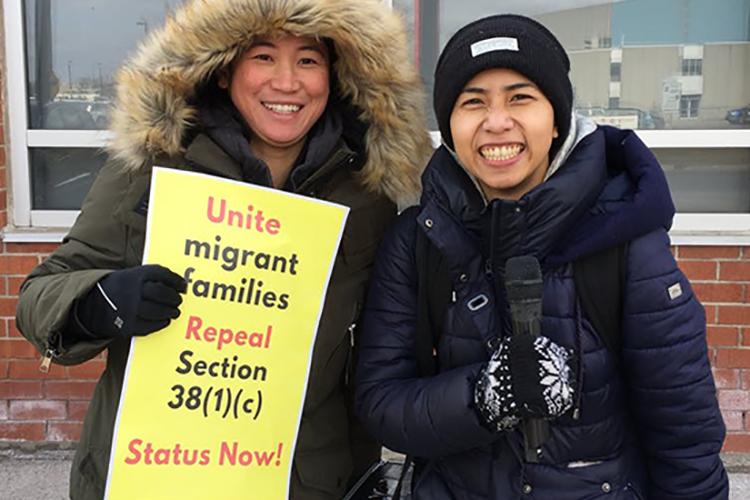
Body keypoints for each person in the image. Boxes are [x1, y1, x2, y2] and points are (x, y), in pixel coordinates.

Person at [15, 1, 432, 499]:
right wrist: (97, 304)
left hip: (300, 479)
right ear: (223, 71)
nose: (286, 83)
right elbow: (40, 296)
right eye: (262, 57)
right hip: (156, 472)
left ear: (336, 74)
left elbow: (376, 346)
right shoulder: (153, 169)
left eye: (308, 60)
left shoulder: (366, 193)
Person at [355, 14, 729, 500]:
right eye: (473, 103)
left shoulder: (622, 238)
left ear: (556, 120)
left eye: (520, 98)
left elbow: (683, 431)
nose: (496, 122)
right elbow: (381, 402)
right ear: (449, 127)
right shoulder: (417, 240)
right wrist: (484, 396)